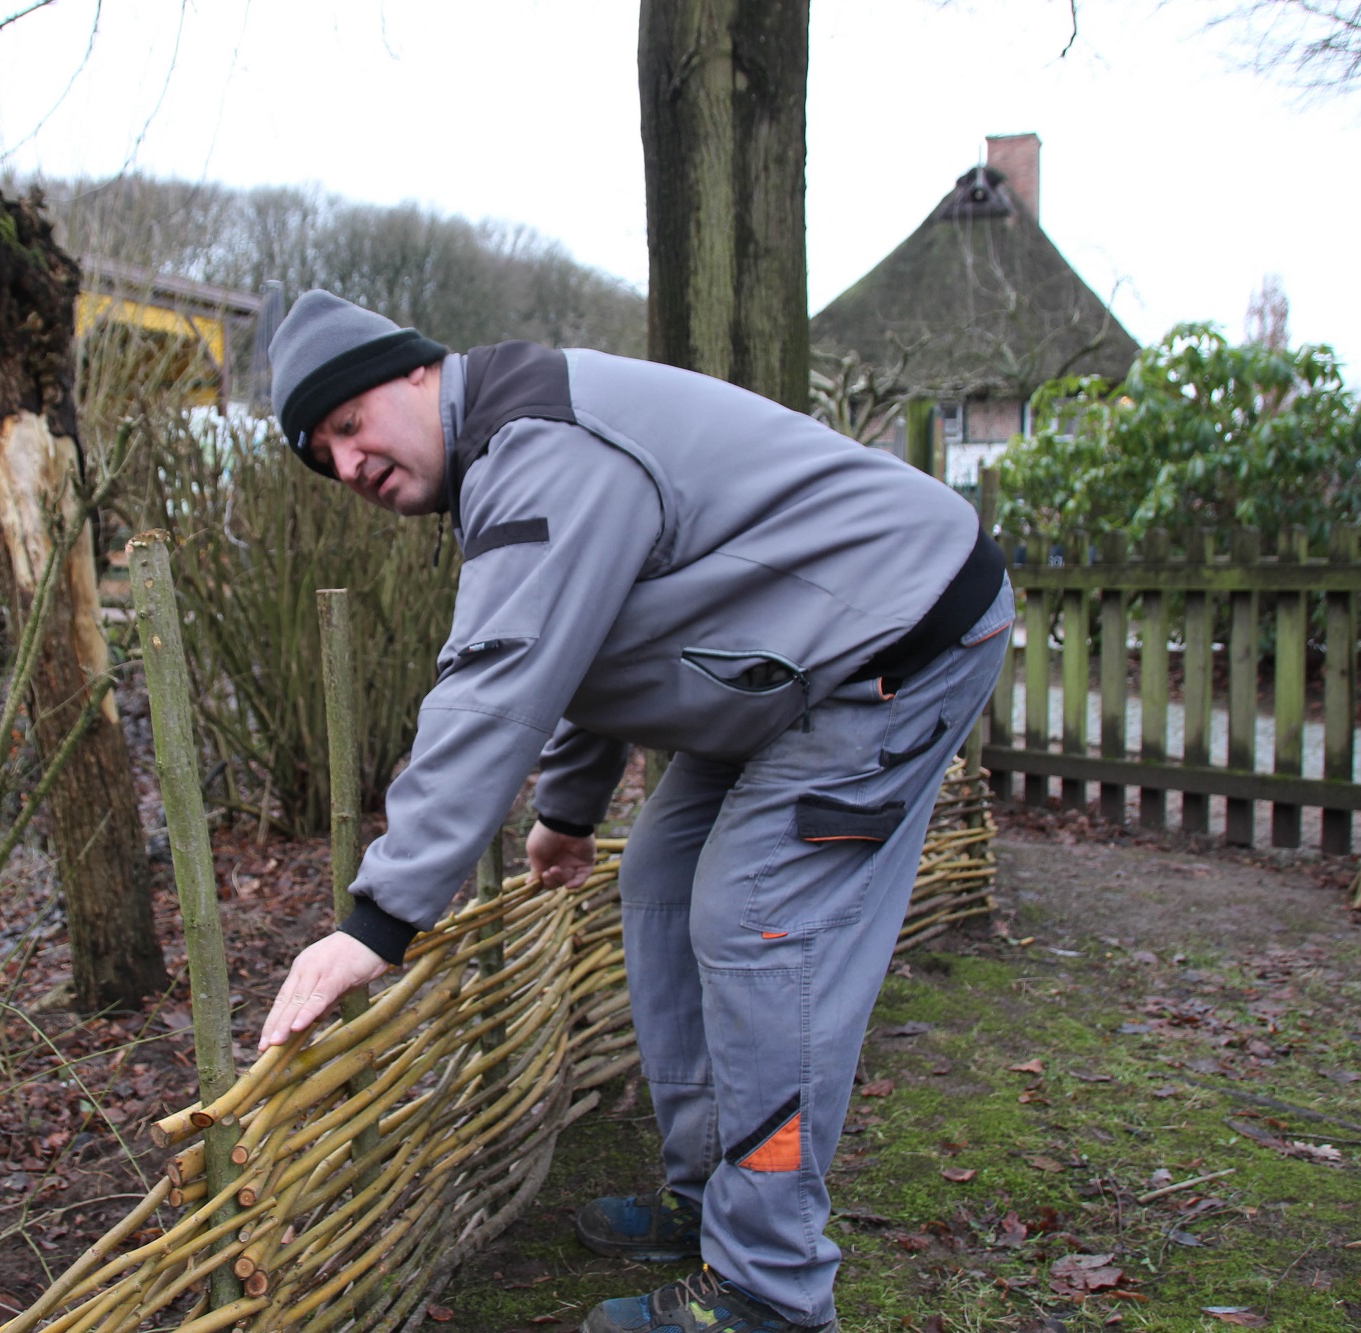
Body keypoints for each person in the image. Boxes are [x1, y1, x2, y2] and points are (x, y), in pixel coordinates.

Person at [254, 290, 1011, 1333]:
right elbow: (585, 632)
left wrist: (376, 920)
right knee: (658, 880)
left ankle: (770, 1290)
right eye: (323, 458)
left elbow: (498, 679)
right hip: (803, 657)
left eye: (347, 425)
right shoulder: (510, 456)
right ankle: (711, 1197)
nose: (348, 465)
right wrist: (568, 808)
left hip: (896, 638)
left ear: (417, 371)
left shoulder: (537, 446)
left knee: (754, 921)